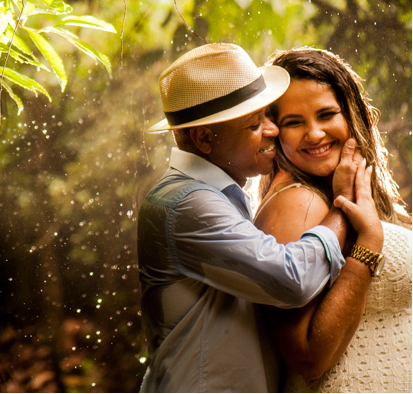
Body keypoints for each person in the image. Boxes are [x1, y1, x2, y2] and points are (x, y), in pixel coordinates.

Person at [136, 43, 379, 392]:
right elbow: (291, 280)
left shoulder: (213, 196)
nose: (273, 130)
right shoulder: (186, 204)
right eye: (255, 124)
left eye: (269, 116)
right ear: (204, 138)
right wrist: (346, 207)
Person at [254, 48, 411, 393]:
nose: (314, 134)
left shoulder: (341, 193)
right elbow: (308, 356)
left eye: (327, 114)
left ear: (351, 115)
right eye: (294, 122)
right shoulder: (298, 202)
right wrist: (368, 246)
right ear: (274, 132)